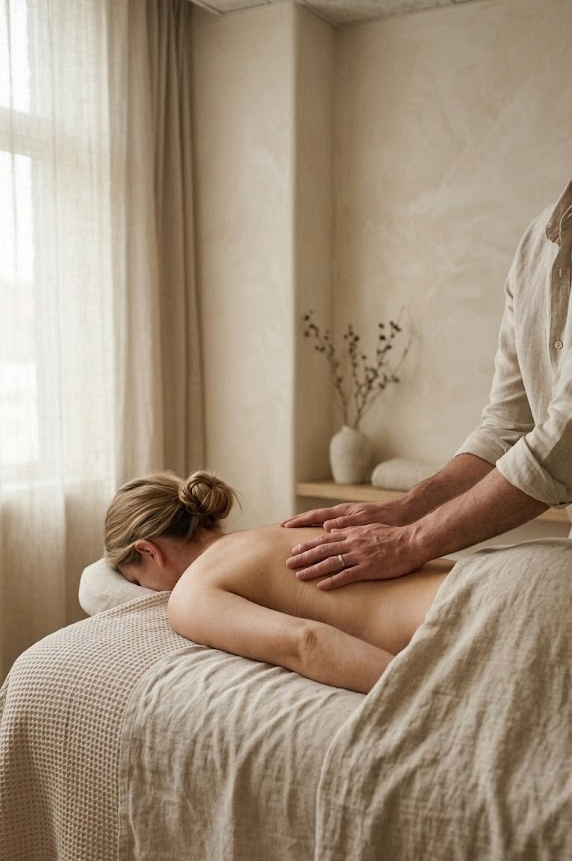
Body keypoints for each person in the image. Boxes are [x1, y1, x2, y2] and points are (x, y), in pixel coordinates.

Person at [284, 176, 572, 589]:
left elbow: (563, 441)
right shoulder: (537, 245)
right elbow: (508, 427)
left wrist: (409, 542)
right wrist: (405, 510)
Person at [104, 469, 454, 694]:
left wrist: (428, 697)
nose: (148, 592)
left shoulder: (191, 594)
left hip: (460, 621)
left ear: (149, 551)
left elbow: (306, 642)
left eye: (137, 581)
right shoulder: (283, 530)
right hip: (478, 578)